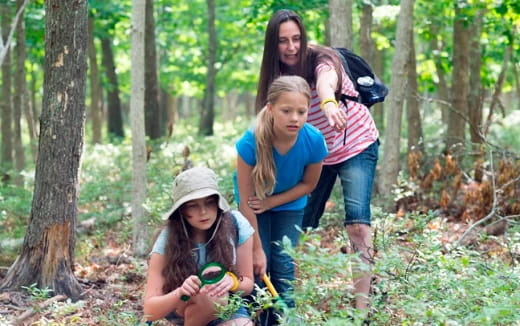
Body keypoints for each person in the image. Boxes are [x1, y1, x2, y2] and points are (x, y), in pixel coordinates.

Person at [255, 9, 380, 312]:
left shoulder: (322, 59)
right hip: (317, 154)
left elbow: (326, 82)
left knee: (357, 224)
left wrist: (327, 103)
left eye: (296, 38)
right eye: (283, 40)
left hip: (356, 144)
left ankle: (362, 310)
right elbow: (266, 122)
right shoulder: (274, 76)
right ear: (274, 44)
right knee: (297, 225)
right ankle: (275, 302)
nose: (291, 47)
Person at [235, 75, 328, 313]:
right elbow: (245, 201)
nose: (294, 118)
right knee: (258, 267)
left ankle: (285, 318)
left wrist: (272, 202)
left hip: (289, 205)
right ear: (271, 109)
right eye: (286, 110)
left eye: (301, 111)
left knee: (283, 266)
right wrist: (256, 249)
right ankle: (255, 318)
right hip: (253, 207)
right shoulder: (250, 141)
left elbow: (308, 184)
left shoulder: (314, 140)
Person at [143, 167, 255, 326]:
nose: (203, 212)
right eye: (193, 205)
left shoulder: (235, 225)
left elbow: (248, 284)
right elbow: (150, 310)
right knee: (211, 296)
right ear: (181, 210)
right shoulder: (167, 239)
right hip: (182, 308)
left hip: (227, 306)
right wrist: (181, 291)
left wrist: (232, 282)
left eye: (209, 202)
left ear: (218, 203)